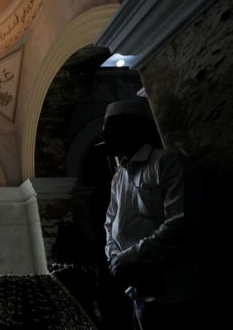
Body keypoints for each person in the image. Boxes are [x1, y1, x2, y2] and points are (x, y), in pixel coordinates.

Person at [101, 99, 207, 330]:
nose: (104, 134)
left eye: (110, 128)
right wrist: (115, 258)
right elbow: (110, 225)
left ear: (132, 128)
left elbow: (181, 224)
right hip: (139, 293)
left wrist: (129, 258)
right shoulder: (119, 177)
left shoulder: (168, 163)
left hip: (177, 292)